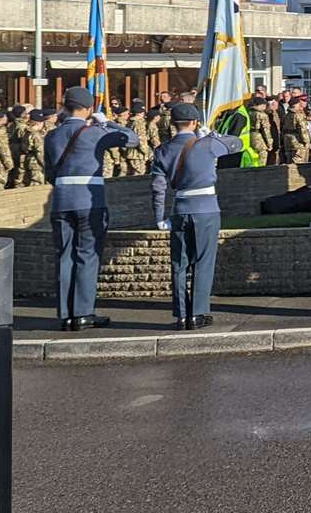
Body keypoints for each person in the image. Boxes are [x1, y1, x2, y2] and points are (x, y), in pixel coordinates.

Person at [43, 86, 138, 331]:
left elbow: (49, 173)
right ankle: (83, 313)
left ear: (65, 107)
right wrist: (109, 123)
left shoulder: (52, 136)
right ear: (88, 109)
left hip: (61, 201)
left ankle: (65, 314)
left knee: (64, 255)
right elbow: (132, 140)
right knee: (87, 255)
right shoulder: (94, 132)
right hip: (90, 201)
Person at [148, 102, 242, 331]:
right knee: (203, 261)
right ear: (195, 122)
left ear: (173, 123)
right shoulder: (208, 144)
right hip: (207, 208)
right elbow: (237, 144)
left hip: (180, 208)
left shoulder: (162, 150)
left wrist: (160, 216)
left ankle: (181, 314)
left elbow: (158, 187)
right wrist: (213, 135)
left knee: (180, 263)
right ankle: (198, 314)